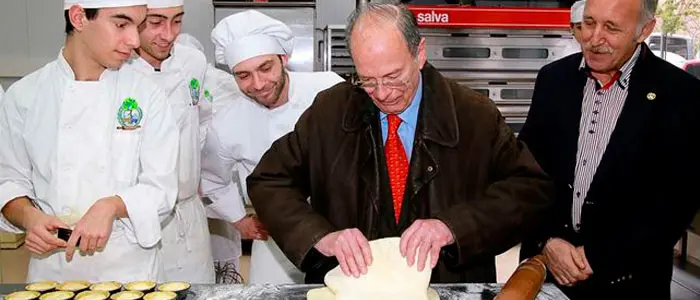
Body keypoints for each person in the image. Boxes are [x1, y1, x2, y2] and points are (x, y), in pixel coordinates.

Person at [246, 3, 553, 284]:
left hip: (446, 284)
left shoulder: (473, 115)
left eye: (393, 76)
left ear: (419, 53)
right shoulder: (330, 111)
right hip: (352, 287)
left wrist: (454, 227)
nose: (382, 93)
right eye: (367, 79)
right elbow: (268, 180)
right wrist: (320, 237)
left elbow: (529, 190)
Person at [518, 0, 700, 298]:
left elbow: (676, 202)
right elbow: (526, 171)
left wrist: (598, 257)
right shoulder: (554, 79)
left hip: (630, 283)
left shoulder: (682, 95)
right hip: (548, 271)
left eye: (612, 28)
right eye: (589, 22)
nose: (594, 38)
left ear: (645, 30)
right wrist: (546, 240)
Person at [0, 0, 179, 282]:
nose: (134, 41)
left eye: (138, 25)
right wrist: (29, 217)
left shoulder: (147, 95)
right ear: (79, 17)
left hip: (128, 268)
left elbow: (162, 188)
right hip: (52, 270)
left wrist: (112, 206)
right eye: (121, 24)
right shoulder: (25, 96)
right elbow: (9, 180)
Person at [201, 10, 346, 284]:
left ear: (284, 58)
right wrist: (238, 219)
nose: (257, 85)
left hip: (340, 228)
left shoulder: (329, 90)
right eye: (243, 75)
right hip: (276, 238)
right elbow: (213, 179)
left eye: (265, 68)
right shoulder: (226, 124)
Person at [126, 0, 214, 283]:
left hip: (188, 215)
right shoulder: (118, 70)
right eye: (155, 23)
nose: (169, 33)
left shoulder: (194, 63)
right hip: (133, 222)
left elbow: (199, 123)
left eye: (177, 20)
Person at [175, 33, 244, 282]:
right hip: (183, 187)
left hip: (217, 172)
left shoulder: (220, 82)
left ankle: (227, 278)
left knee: (222, 236)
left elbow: (229, 130)